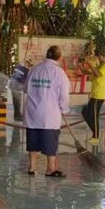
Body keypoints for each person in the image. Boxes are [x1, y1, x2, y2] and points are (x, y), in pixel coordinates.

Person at [24, 45, 70, 178]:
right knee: (50, 141)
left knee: (32, 140)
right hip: (50, 114)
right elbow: (64, 96)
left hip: (33, 112)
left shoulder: (34, 69)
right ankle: (50, 169)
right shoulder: (60, 73)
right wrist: (64, 109)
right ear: (59, 58)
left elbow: (26, 88)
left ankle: (32, 167)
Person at [82, 52, 105, 141]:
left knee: (93, 116)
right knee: (86, 113)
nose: (99, 57)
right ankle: (95, 135)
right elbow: (86, 72)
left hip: (99, 95)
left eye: (101, 55)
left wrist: (90, 64)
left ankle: (96, 137)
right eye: (99, 55)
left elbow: (97, 74)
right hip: (95, 94)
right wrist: (79, 65)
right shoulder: (99, 66)